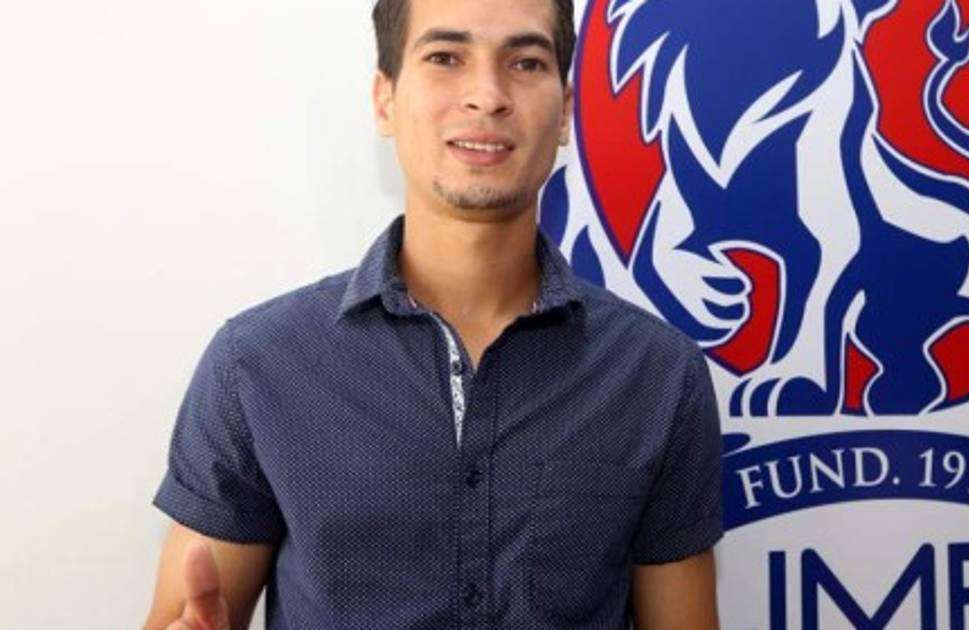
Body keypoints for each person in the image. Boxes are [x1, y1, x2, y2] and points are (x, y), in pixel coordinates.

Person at [143, 0, 723, 627]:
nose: (487, 96)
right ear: (384, 100)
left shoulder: (656, 375)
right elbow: (183, 615)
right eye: (446, 57)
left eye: (525, 63)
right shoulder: (256, 366)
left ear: (565, 112)